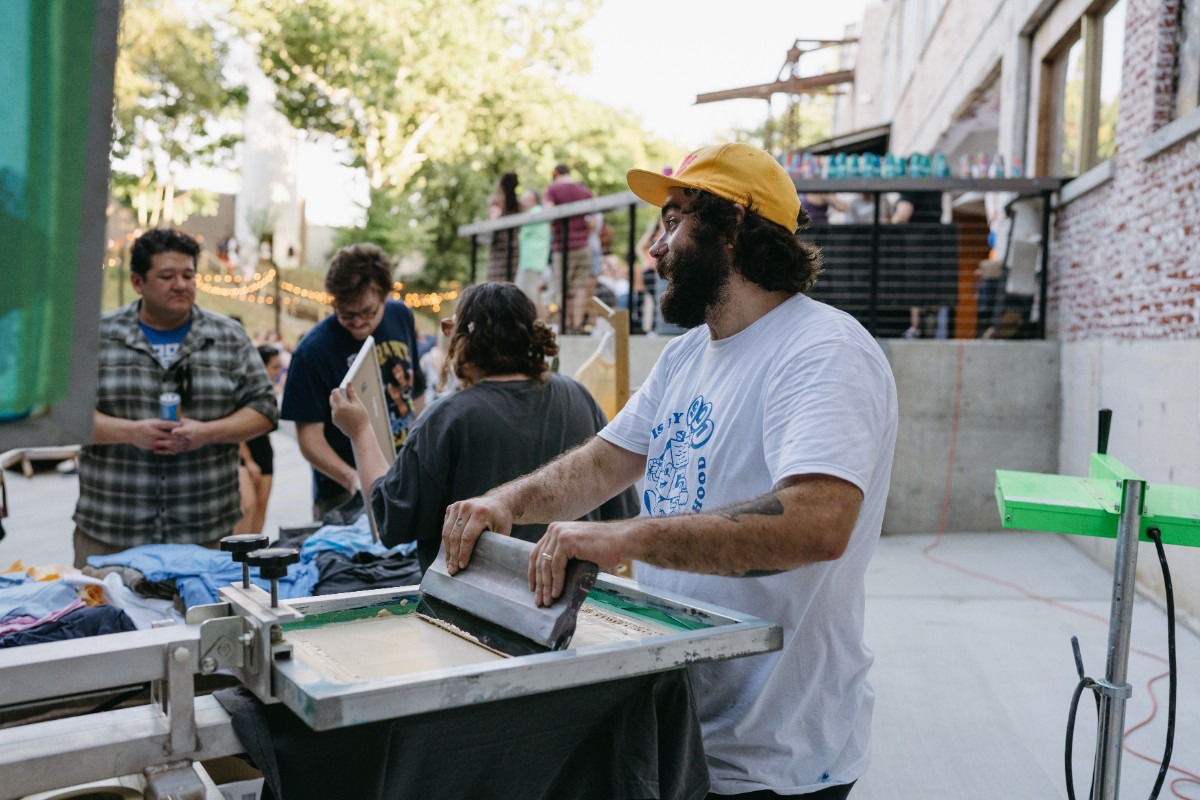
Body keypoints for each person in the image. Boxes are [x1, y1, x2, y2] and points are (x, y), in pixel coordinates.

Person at [440, 144, 898, 798]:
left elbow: (816, 525)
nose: (654, 248)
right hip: (683, 732)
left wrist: (620, 538)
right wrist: (505, 504)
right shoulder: (688, 356)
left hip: (778, 757)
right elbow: (603, 462)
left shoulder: (824, 350)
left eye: (674, 221)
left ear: (734, 227)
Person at [330, 281, 637, 574]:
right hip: (579, 604)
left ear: (457, 336)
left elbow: (390, 521)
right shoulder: (578, 396)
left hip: (479, 612)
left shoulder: (446, 417)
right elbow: (619, 509)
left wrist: (360, 431)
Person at [72, 228, 279, 568]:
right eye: (167, 276)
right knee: (106, 622)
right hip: (110, 534)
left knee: (205, 622)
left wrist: (207, 433)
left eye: (188, 275)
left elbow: (265, 410)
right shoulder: (97, 336)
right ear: (138, 282)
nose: (181, 284)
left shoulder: (228, 337)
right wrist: (130, 432)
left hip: (206, 533)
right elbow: (65, 415)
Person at [281, 243, 426, 520]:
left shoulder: (401, 316)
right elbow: (309, 439)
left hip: (403, 475)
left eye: (368, 312)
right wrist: (352, 479)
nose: (358, 322)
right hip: (342, 494)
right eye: (346, 314)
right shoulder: (312, 352)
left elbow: (415, 386)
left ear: (384, 295)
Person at [235, 344, 284, 535]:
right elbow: (237, 428)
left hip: (264, 450)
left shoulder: (269, 390)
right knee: (249, 505)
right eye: (274, 367)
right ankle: (239, 555)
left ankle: (254, 552)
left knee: (262, 507)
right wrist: (248, 460)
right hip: (245, 452)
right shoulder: (245, 389)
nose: (278, 371)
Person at [544, 162, 594, 333]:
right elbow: (593, 222)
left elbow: (549, 215)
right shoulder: (584, 192)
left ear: (555, 174)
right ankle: (578, 326)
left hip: (562, 246)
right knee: (580, 288)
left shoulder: (552, 190)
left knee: (562, 288)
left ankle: (565, 325)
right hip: (583, 246)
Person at [890, 191, 945, 338]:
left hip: (915, 244)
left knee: (913, 287)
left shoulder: (911, 189)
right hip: (936, 244)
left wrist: (890, 225)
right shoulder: (935, 190)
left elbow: (903, 214)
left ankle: (914, 327)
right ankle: (929, 328)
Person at [514, 188, 551, 319]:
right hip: (533, 261)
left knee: (527, 296)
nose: (524, 202)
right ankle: (541, 324)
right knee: (533, 295)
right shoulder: (535, 213)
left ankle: (539, 325)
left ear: (535, 201)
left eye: (527, 199)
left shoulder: (535, 213)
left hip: (531, 262)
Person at [486, 172, 521, 283]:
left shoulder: (495, 202)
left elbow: (493, 223)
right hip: (514, 248)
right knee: (509, 284)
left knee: (495, 283)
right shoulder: (519, 205)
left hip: (499, 248)